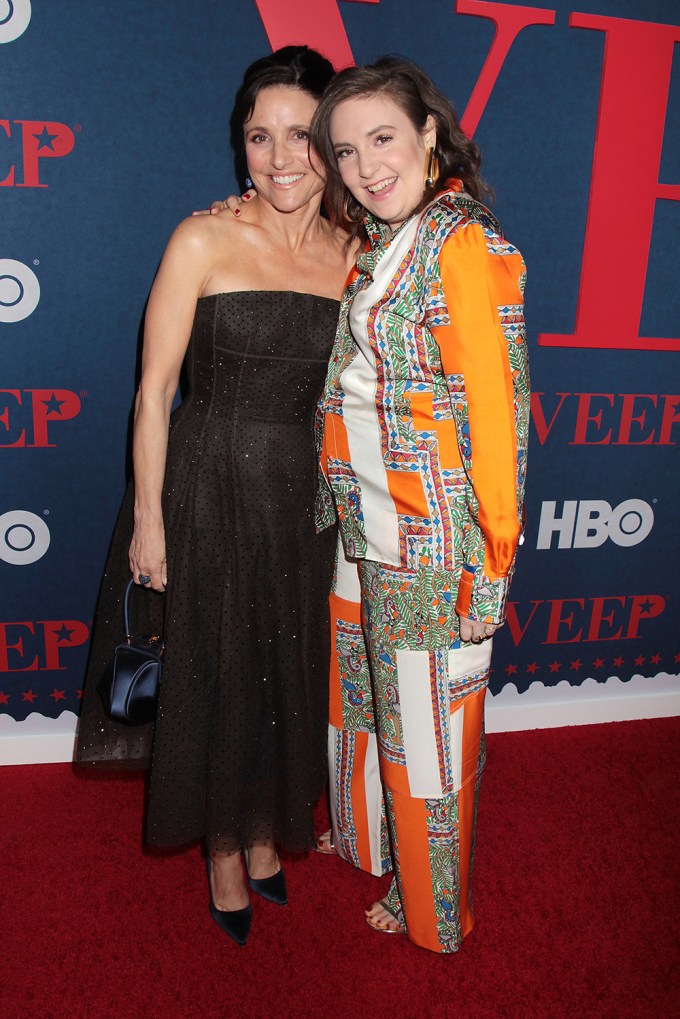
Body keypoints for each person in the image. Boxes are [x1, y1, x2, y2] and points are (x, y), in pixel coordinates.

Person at [76, 46, 357, 946]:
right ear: (240, 144)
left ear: (334, 143)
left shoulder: (357, 255)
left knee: (284, 668)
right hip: (206, 485)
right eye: (258, 136)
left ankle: (268, 826)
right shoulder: (202, 238)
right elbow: (154, 390)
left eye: (301, 136)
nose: (278, 157)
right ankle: (224, 851)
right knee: (220, 669)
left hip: (302, 498)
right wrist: (148, 520)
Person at [309, 56, 530, 954]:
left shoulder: (463, 245)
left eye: (383, 139)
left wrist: (491, 563)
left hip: (430, 541)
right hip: (363, 522)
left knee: (429, 735)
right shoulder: (383, 237)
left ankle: (433, 904)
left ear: (429, 133)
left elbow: (499, 418)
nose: (366, 166)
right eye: (346, 150)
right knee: (362, 701)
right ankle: (371, 839)